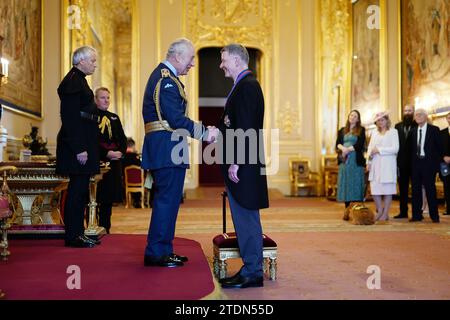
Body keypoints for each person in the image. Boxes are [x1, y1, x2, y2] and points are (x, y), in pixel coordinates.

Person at [141, 38, 217, 267]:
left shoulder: (168, 78)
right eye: (191, 58)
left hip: (167, 147)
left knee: (170, 201)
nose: (193, 64)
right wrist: (204, 133)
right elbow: (175, 119)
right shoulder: (166, 80)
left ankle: (164, 249)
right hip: (167, 148)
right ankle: (156, 253)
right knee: (166, 202)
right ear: (178, 56)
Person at [216, 44, 269, 289]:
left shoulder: (247, 87)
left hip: (243, 165)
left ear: (237, 60)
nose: (221, 65)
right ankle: (251, 268)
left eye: (224, 60)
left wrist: (236, 161)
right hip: (243, 163)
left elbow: (247, 129)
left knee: (246, 217)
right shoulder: (244, 86)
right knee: (244, 217)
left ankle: (252, 271)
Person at [56, 46, 101, 248]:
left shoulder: (79, 79)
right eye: (92, 60)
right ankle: (73, 235)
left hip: (84, 140)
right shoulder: (72, 81)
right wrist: (80, 148)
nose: (95, 64)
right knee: (76, 191)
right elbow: (70, 118)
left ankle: (79, 232)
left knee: (81, 190)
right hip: (77, 144)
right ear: (80, 61)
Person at [95, 87, 127, 234]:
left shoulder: (114, 117)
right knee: (95, 197)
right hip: (97, 162)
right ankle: (91, 226)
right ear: (95, 99)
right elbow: (91, 141)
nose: (106, 100)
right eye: (103, 97)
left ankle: (105, 228)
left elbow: (122, 139)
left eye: (108, 97)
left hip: (114, 163)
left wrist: (120, 152)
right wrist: (106, 153)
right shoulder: (90, 116)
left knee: (107, 198)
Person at [410, 108, 442, 223]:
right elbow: (410, 150)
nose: (418, 116)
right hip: (416, 164)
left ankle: (434, 216)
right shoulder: (413, 131)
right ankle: (416, 215)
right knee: (415, 190)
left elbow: (439, 148)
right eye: (416, 115)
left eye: (420, 114)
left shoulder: (434, 130)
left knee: (430, 190)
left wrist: (435, 164)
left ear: (425, 116)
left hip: (429, 164)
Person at [367, 112, 399, 221]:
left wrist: (380, 150)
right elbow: (370, 148)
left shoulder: (393, 132)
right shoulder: (374, 133)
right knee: (375, 188)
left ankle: (385, 213)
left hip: (388, 163)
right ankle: (380, 210)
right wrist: (368, 162)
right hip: (375, 163)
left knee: (387, 189)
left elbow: (395, 148)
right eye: (378, 120)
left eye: (382, 120)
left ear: (387, 120)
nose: (380, 122)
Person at [336, 110, 367, 211]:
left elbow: (360, 144)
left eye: (355, 116)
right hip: (345, 161)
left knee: (356, 183)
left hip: (356, 161)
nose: (353, 117)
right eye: (351, 115)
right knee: (346, 183)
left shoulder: (361, 130)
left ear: (358, 119)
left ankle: (357, 208)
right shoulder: (342, 130)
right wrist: (343, 149)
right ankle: (346, 208)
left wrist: (348, 149)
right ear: (348, 116)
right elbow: (338, 143)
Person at [394, 104, 417, 219]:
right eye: (405, 110)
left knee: (415, 189)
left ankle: (417, 213)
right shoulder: (397, 126)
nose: (407, 113)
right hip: (401, 163)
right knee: (402, 189)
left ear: (413, 112)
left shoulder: (418, 125)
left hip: (415, 163)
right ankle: (403, 212)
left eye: (410, 110)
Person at [122, 137, 144, 208]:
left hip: (126, 182)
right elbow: (142, 168)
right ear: (133, 146)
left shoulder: (123, 158)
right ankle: (139, 201)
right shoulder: (136, 158)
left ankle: (126, 201)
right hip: (138, 183)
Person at [439, 112, 450, 216]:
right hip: (445, 164)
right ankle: (449, 209)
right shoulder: (442, 133)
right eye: (449, 118)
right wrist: (443, 157)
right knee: (447, 185)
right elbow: (438, 148)